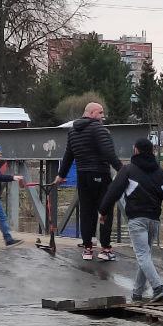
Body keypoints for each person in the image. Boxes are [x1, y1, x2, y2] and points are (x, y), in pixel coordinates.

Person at [99, 138, 163, 304]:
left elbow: (113, 192)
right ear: (151, 151)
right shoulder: (161, 173)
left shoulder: (128, 170)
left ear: (135, 150)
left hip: (137, 220)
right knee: (146, 256)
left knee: (143, 256)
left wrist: (103, 211)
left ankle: (158, 288)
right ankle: (137, 293)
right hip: (154, 222)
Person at [55, 102, 122, 261]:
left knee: (86, 212)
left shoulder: (73, 131)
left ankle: (87, 249)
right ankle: (105, 249)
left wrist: (61, 175)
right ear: (91, 113)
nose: (103, 116)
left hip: (82, 176)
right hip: (100, 174)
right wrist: (122, 169)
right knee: (105, 210)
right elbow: (108, 153)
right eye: (100, 113)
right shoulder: (98, 129)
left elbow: (68, 156)